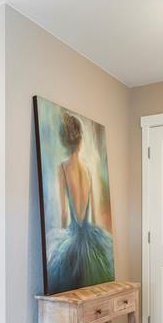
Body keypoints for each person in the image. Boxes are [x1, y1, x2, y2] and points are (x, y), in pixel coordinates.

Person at [47, 111, 115, 293]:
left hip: (73, 234)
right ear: (80, 141)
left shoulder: (63, 168)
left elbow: (64, 213)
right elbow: (91, 211)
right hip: (89, 234)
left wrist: (62, 233)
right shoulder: (87, 170)